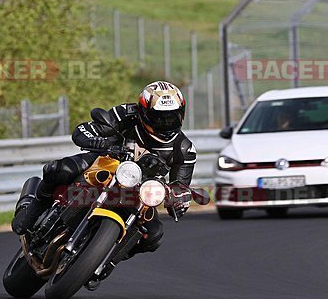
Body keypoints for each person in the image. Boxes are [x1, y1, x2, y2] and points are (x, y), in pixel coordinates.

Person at [11, 81, 197, 257]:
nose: (166, 124)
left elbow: (180, 187)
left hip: (139, 192)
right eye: (159, 118)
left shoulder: (184, 149)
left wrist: (178, 199)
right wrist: (97, 140)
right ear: (143, 112)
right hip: (105, 162)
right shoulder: (126, 113)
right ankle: (34, 208)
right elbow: (83, 130)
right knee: (57, 169)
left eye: (172, 118)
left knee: (155, 235)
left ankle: (107, 257)